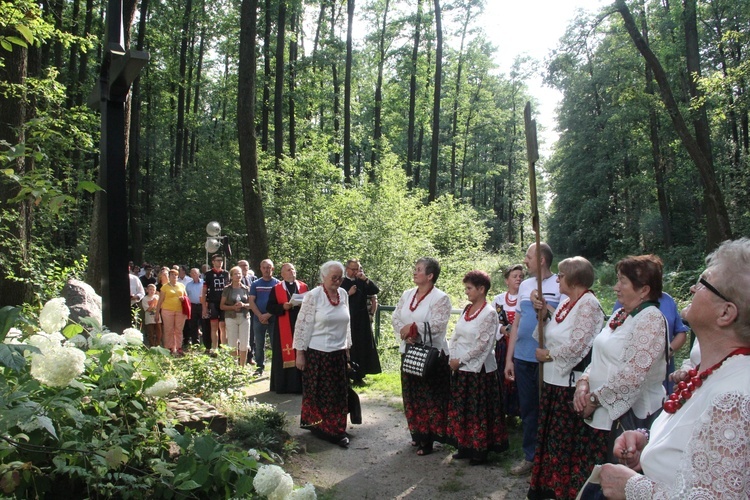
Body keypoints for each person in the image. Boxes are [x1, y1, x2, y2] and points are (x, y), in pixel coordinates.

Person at [599, 239, 750, 499]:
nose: (692, 288)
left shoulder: (734, 399)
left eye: (703, 283)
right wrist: (647, 440)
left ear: (726, 313)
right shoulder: (715, 371)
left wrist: (633, 487)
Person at [573, 255, 668, 464]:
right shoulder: (621, 315)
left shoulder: (650, 319)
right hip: (600, 418)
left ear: (644, 289)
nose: (616, 287)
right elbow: (600, 356)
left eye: (622, 281)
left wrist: (593, 399)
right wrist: (583, 383)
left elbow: (632, 376)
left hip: (629, 422)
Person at [527, 257, 605, 499]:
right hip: (553, 382)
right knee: (552, 440)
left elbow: (579, 345)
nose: (557, 279)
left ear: (573, 278)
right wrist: (541, 314)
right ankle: (550, 485)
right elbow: (551, 331)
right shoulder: (565, 303)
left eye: (561, 275)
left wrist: (549, 354)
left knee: (565, 442)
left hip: (569, 384)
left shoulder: (589, 305)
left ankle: (566, 489)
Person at [504, 242, 564, 475]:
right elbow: (516, 323)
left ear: (541, 260)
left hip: (548, 359)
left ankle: (549, 457)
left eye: (528, 257)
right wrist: (509, 359)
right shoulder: (526, 285)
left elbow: (564, 318)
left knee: (549, 409)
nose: (525, 261)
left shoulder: (560, 284)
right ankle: (530, 456)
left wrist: (545, 304)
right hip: (523, 357)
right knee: (528, 409)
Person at [392, 257, 452, 456]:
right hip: (409, 351)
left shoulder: (440, 298)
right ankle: (417, 433)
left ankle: (429, 439)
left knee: (429, 397)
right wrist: (405, 332)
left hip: (430, 355)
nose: (414, 272)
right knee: (411, 395)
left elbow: (438, 325)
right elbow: (396, 316)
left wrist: (414, 330)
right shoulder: (407, 294)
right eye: (415, 269)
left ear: (430, 275)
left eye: (419, 270)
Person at [448, 270, 509, 465]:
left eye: (469, 288)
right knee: (463, 409)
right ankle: (464, 445)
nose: (466, 292)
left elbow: (483, 345)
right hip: (461, 367)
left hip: (479, 370)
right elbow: (456, 334)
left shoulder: (489, 314)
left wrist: (461, 360)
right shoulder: (467, 309)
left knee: (478, 411)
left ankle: (479, 449)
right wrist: (452, 356)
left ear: (481, 289)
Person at [293, 261, 352, 447]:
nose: (337, 281)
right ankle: (321, 427)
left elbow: (347, 323)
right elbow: (302, 326)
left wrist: (348, 348)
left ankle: (336, 428)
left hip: (338, 353)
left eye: (340, 277)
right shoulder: (314, 296)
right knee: (319, 393)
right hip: (318, 353)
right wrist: (300, 353)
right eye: (334, 277)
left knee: (338, 394)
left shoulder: (343, 294)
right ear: (323, 277)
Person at [613, 292, 688, 393]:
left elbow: (681, 332)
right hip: (631, 371)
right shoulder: (626, 299)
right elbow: (613, 334)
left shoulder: (667, 300)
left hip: (662, 370)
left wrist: (667, 352)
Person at [267, 262, 308, 394]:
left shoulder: (303, 286)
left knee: (301, 352)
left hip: (301, 324)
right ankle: (284, 385)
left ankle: (301, 385)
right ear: (282, 274)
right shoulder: (277, 288)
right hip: (284, 325)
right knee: (285, 353)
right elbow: (270, 307)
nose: (292, 272)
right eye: (288, 270)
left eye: (293, 269)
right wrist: (282, 307)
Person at [341, 259, 382, 385]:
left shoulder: (362, 281)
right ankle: (346, 375)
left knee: (361, 346)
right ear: (347, 269)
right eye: (353, 269)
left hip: (362, 319)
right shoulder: (342, 282)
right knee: (349, 348)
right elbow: (336, 299)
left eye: (357, 269)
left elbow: (375, 290)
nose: (355, 272)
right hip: (347, 319)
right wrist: (348, 294)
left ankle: (360, 375)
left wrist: (365, 279)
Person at [492, 264, 524, 419]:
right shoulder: (498, 300)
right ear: (507, 280)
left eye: (521, 276)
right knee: (501, 375)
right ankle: (503, 411)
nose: (518, 279)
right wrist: (502, 330)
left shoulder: (526, 298)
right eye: (515, 276)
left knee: (519, 376)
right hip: (503, 345)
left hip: (520, 345)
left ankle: (518, 411)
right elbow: (492, 322)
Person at [249, 259, 279, 375]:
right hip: (258, 318)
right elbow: (251, 301)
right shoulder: (255, 284)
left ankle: (276, 369)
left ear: (273, 269)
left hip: (273, 317)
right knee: (259, 343)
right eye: (264, 267)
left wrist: (268, 314)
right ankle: (259, 367)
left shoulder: (277, 284)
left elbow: (279, 303)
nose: (267, 270)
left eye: (269, 267)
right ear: (260, 269)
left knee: (274, 343)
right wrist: (260, 315)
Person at [220, 266, 252, 367]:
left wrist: (243, 305)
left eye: (239, 274)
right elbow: (222, 306)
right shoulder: (227, 289)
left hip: (244, 317)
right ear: (231, 276)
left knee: (244, 343)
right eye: (235, 274)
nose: (238, 276)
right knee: (232, 343)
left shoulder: (246, 288)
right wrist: (233, 307)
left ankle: (242, 367)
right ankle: (233, 367)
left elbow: (251, 305)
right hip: (231, 317)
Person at [201, 254, 229, 355]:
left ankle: (224, 349)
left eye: (221, 260)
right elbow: (204, 291)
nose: (219, 262)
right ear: (213, 262)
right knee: (214, 326)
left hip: (224, 303)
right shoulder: (208, 274)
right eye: (217, 260)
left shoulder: (226, 273)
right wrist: (204, 306)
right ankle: (214, 348)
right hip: (212, 303)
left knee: (223, 326)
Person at [156, 268, 188, 356]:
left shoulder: (181, 286)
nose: (174, 276)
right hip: (167, 311)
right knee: (168, 330)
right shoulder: (164, 287)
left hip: (180, 311)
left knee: (179, 330)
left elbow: (186, 298)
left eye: (176, 275)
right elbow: (160, 301)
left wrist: (183, 299)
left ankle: (178, 348)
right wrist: (157, 313)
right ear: (169, 277)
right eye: (172, 275)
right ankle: (169, 348)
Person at [183, 268, 203, 347]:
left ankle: (205, 342)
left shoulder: (204, 283)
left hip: (202, 305)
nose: (194, 274)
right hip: (193, 306)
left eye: (195, 273)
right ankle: (195, 343)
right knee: (193, 325)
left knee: (204, 324)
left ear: (199, 274)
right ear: (190, 275)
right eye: (192, 273)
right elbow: (187, 296)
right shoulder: (188, 285)